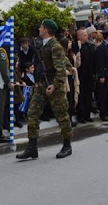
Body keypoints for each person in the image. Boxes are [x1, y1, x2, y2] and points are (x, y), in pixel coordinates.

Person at [17, 19, 73, 160]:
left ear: (46, 30)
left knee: (61, 115)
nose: (39, 29)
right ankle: (32, 147)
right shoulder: (41, 45)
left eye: (41, 27)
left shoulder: (55, 46)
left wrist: (54, 85)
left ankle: (67, 145)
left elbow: (60, 70)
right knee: (32, 113)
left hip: (55, 85)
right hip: (41, 84)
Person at [75, 28, 96, 123]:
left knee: (88, 95)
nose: (86, 36)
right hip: (80, 75)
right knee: (81, 96)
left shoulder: (90, 46)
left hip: (89, 74)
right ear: (79, 37)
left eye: (86, 35)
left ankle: (88, 114)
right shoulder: (77, 47)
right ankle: (81, 116)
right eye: (84, 35)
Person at [95, 28, 108, 121]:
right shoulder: (101, 48)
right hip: (105, 74)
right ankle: (103, 114)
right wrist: (102, 75)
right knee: (103, 95)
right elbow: (100, 63)